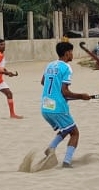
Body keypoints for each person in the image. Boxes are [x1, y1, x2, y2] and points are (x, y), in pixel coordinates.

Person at [38, 41, 92, 169]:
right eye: (71, 52)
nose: (72, 54)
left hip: (46, 106)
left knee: (66, 129)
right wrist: (81, 96)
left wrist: (58, 95)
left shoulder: (50, 65)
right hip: (58, 107)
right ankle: (67, 162)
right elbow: (65, 91)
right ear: (67, 53)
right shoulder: (66, 68)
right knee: (75, 133)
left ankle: (51, 147)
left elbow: (43, 82)